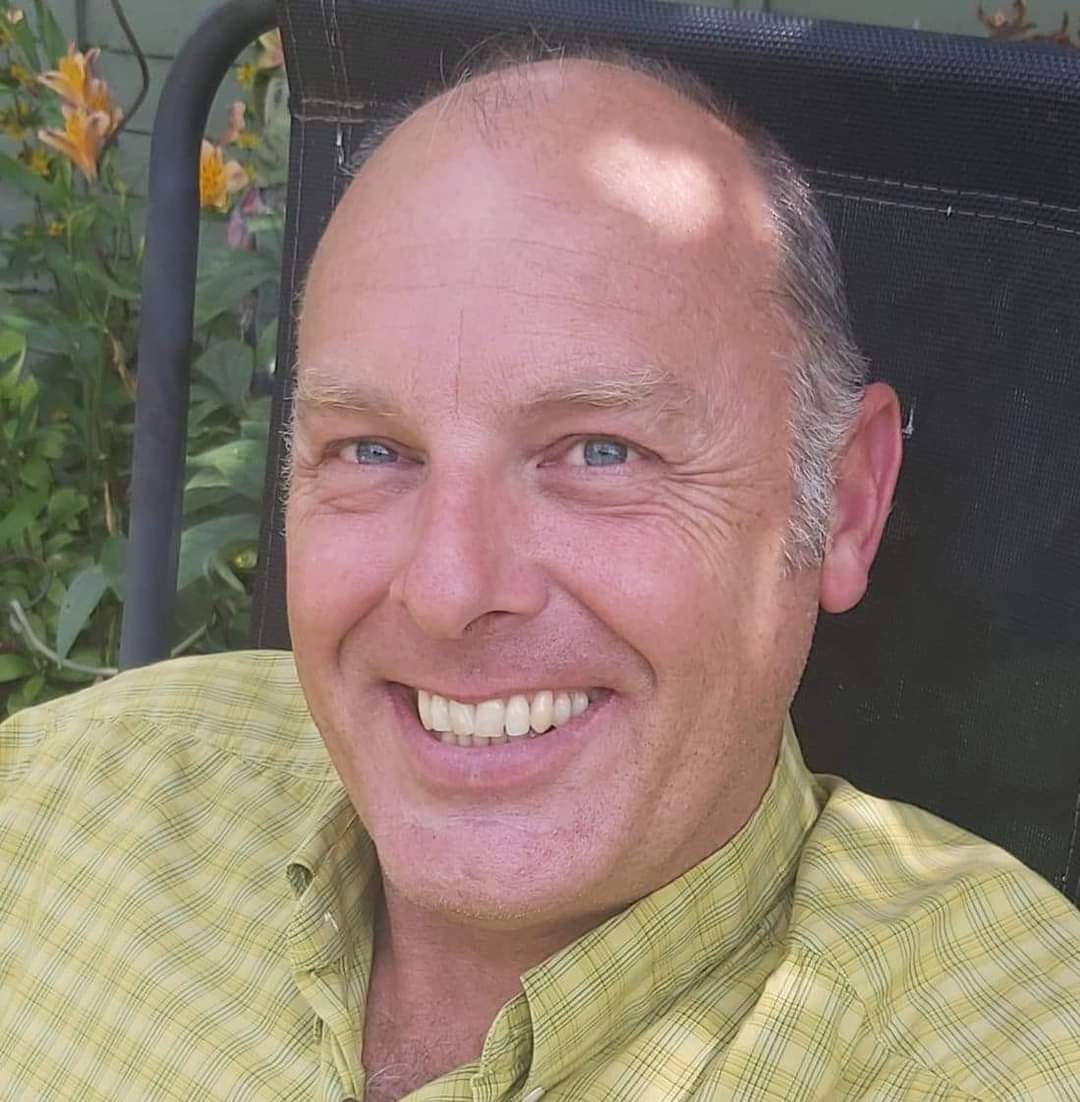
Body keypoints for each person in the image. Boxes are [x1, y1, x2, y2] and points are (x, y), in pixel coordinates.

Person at [2, 46, 1078, 1102]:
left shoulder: (1004, 1059)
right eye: (372, 450)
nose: (448, 591)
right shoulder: (61, 806)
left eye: (601, 452)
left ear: (843, 502)